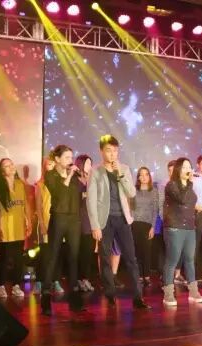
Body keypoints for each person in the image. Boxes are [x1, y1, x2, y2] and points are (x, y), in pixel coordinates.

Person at [87, 135, 151, 309]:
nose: (112, 154)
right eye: (109, 150)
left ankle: (138, 297)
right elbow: (91, 200)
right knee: (105, 258)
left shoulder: (124, 169)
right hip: (104, 220)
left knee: (131, 258)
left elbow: (131, 193)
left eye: (115, 151)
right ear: (101, 151)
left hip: (123, 219)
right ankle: (110, 295)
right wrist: (95, 225)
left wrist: (120, 174)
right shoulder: (95, 171)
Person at [41, 145, 83, 316]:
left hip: (74, 219)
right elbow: (60, 195)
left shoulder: (74, 176)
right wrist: (69, 175)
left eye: (71, 157)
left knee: (73, 257)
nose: (70, 160)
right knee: (53, 256)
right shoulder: (51, 175)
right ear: (57, 159)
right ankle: (45, 296)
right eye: (66, 157)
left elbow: (80, 193)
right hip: (59, 218)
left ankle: (74, 298)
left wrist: (83, 177)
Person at [162, 157, 202, 306]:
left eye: (189, 167)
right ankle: (168, 293)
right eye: (185, 167)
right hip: (174, 227)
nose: (188, 170)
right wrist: (190, 183)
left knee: (189, 259)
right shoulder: (171, 185)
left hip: (189, 228)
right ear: (178, 169)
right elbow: (181, 198)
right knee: (172, 260)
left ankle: (193, 292)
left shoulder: (189, 187)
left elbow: (191, 203)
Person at [0, 158, 31, 298]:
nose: (11, 167)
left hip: (19, 226)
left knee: (18, 258)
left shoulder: (20, 184)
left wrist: (28, 221)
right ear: (2, 172)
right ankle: (0, 286)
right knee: (5, 257)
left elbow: (25, 204)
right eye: (7, 166)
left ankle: (16, 286)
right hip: (5, 226)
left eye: (11, 164)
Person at [33, 156, 63, 295]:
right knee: (44, 254)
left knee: (57, 253)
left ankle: (55, 281)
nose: (51, 166)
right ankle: (40, 281)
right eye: (49, 164)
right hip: (45, 222)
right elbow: (38, 207)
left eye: (53, 164)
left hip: (58, 222)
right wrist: (42, 224)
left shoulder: (61, 182)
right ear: (44, 166)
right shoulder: (40, 184)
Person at [131, 166, 159, 286]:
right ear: (138, 177)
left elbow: (155, 210)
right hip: (134, 223)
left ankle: (146, 276)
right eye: (141, 175)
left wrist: (153, 226)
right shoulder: (133, 190)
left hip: (147, 224)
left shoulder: (154, 191)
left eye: (146, 174)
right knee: (136, 251)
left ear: (149, 176)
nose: (144, 177)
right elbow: (131, 207)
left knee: (146, 251)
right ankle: (138, 276)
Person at [75, 154, 95, 292]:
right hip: (76, 223)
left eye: (90, 164)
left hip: (89, 223)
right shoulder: (74, 181)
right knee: (77, 253)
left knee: (88, 252)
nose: (90, 166)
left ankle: (86, 279)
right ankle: (77, 280)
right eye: (87, 164)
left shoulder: (92, 182)